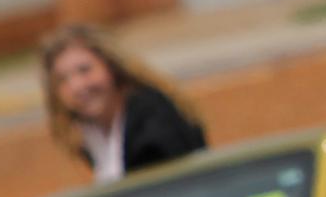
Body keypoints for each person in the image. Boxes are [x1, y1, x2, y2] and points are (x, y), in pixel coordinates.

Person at [40, 23, 206, 184]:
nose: (77, 86)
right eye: (62, 80)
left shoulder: (153, 122)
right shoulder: (90, 134)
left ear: (111, 66)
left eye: (85, 70)